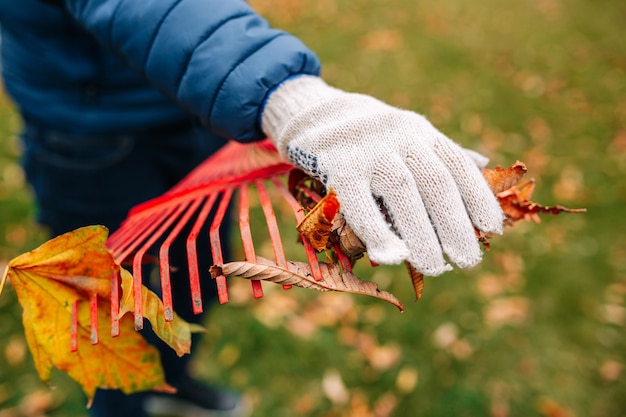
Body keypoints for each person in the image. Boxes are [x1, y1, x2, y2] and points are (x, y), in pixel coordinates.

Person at [0, 0, 504, 416]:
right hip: (85, 130)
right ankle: (121, 405)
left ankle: (171, 383)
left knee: (196, 270)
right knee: (106, 305)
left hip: (191, 104)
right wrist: (284, 93)